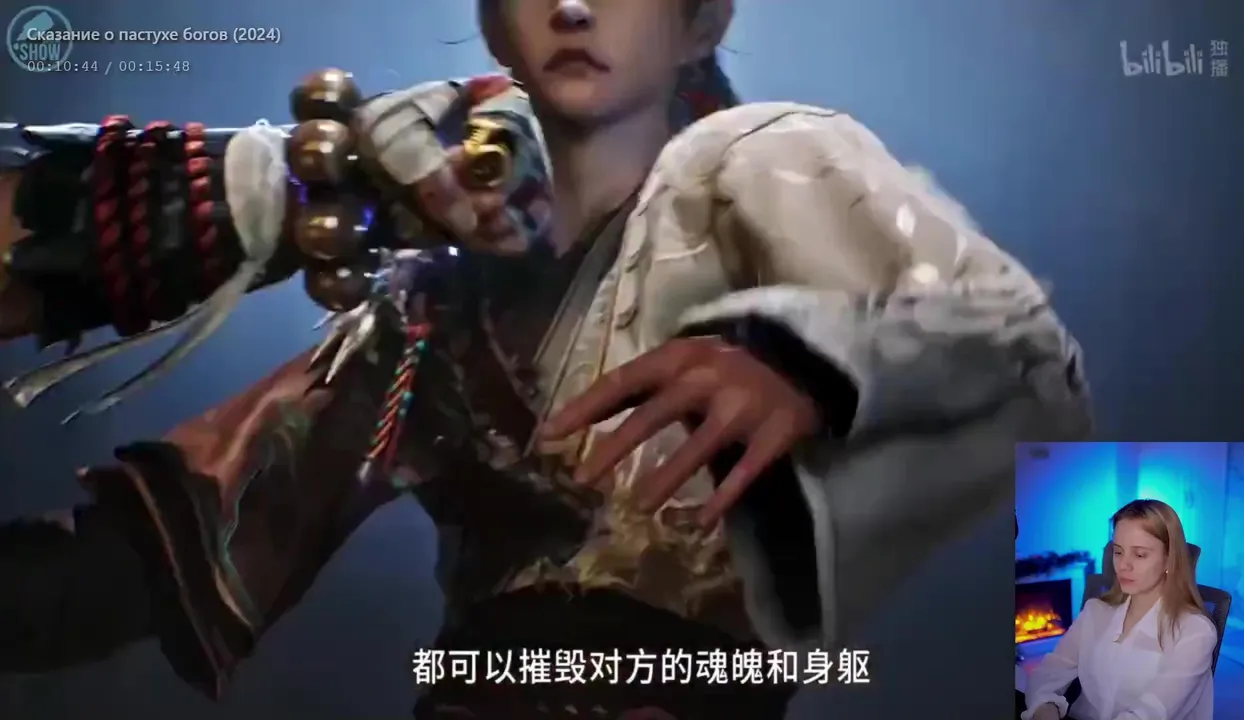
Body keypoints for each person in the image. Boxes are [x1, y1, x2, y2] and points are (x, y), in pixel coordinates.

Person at [0, 1, 1092, 717]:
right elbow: (134, 566)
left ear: (702, 17)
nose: (573, 4)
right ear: (493, 22)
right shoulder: (433, 312)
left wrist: (807, 366)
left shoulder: (768, 160)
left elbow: (1024, 354)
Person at [1022, 500, 1216, 720]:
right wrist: (1045, 706)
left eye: (1140, 555)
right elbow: (1050, 671)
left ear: (1169, 560)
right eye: (1118, 552)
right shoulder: (1095, 612)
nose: (1123, 565)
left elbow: (1151, 713)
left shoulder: (1195, 632)